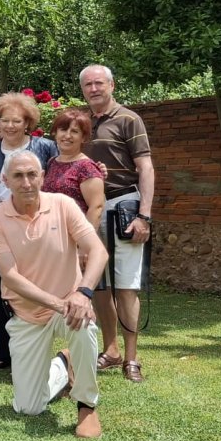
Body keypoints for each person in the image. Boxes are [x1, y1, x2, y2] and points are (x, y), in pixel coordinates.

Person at [0, 151, 107, 438]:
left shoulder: (63, 205)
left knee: (83, 322)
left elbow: (98, 251)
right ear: (6, 180)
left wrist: (83, 293)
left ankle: (86, 404)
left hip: (69, 304)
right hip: (27, 314)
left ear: (42, 177)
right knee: (28, 407)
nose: (26, 182)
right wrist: (59, 303)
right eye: (18, 176)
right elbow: (10, 276)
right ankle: (64, 365)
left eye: (32, 175)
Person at [0, 91, 60, 370]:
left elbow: (63, 176)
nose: (10, 126)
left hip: (35, 225)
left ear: (28, 122)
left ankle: (37, 350)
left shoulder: (45, 148)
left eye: (17, 121)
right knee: (0, 288)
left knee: (33, 285)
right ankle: (2, 352)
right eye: (5, 121)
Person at [80, 64, 155, 383]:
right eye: (88, 85)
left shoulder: (128, 118)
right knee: (98, 285)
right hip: (89, 210)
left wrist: (144, 215)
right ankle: (110, 352)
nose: (94, 88)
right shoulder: (81, 123)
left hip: (124, 205)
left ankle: (132, 358)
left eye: (99, 83)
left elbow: (146, 168)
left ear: (111, 84)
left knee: (125, 286)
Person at [42, 108, 106, 228]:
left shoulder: (87, 167)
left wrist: (85, 243)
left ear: (83, 138)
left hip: (74, 235)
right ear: (55, 133)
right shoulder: (52, 162)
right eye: (63, 129)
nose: (67, 135)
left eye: (74, 131)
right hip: (50, 233)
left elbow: (96, 208)